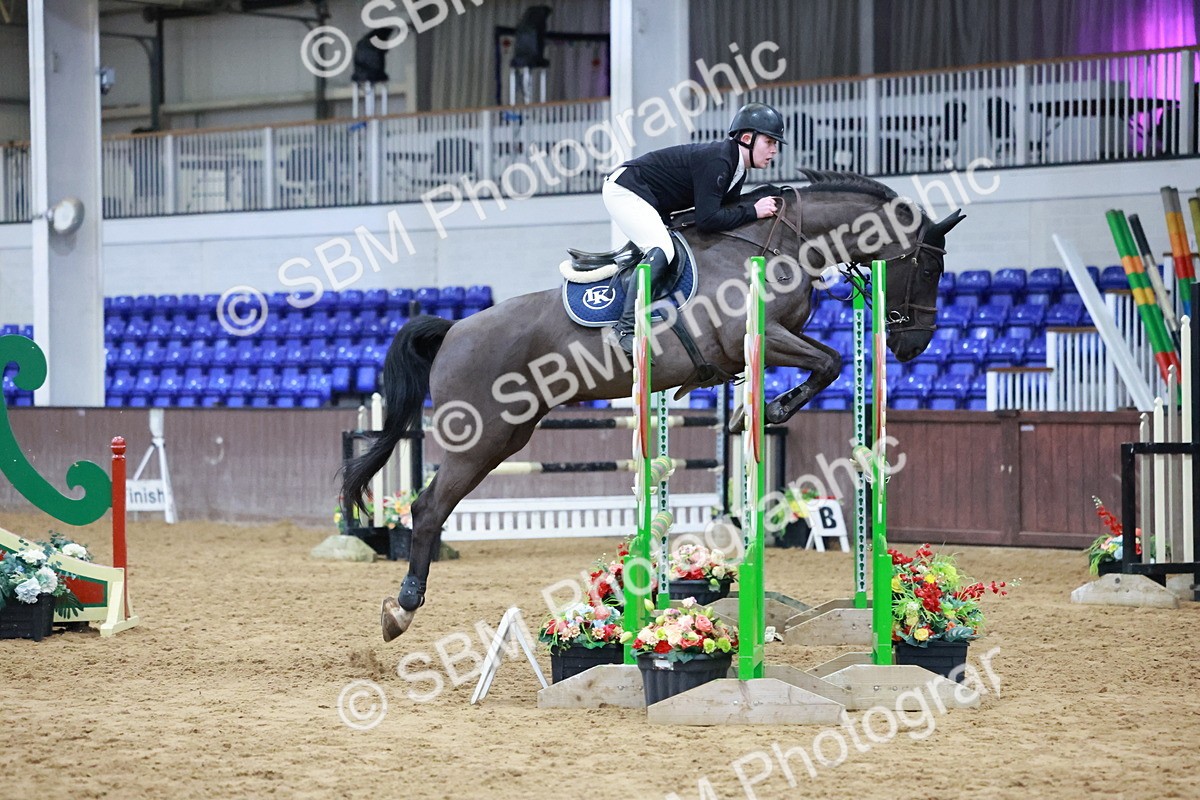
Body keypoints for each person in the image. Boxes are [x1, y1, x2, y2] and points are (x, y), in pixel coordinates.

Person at [602, 102, 786, 355]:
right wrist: (754, 210)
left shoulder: (736, 170)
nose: (774, 150)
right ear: (747, 138)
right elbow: (709, 220)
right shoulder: (719, 161)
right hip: (626, 190)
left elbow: (726, 214)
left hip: (650, 198)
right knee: (662, 249)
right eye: (770, 142)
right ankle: (624, 328)